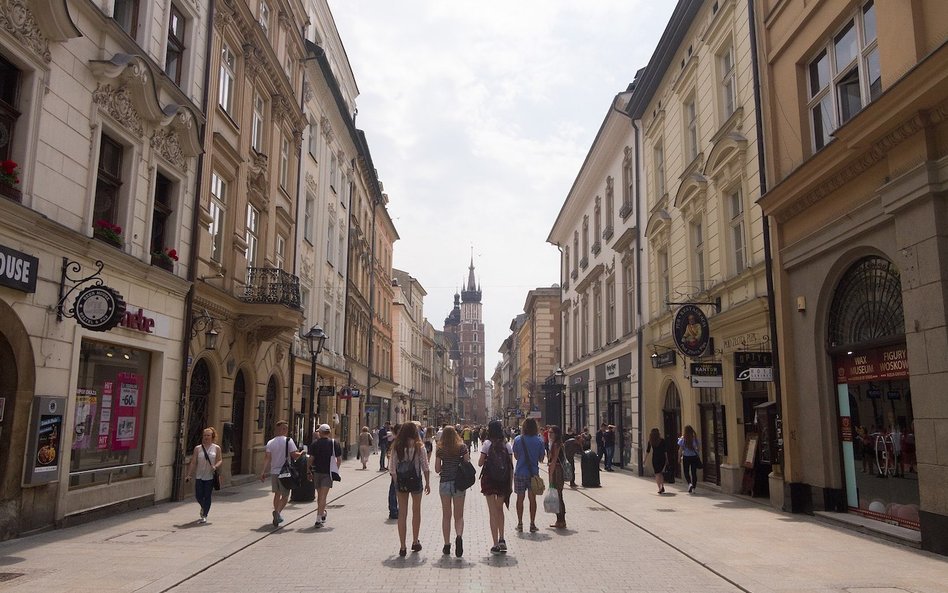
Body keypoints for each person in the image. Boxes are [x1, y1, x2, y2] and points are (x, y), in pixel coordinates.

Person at [389, 421, 430, 556]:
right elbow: (425, 466)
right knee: (416, 511)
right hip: (416, 480)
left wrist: (396, 483)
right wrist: (428, 482)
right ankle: (415, 541)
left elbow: (392, 468)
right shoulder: (420, 447)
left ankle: (402, 546)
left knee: (402, 513)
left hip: (401, 482)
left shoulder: (397, 447)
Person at [479, 419, 513, 555]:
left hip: (489, 480)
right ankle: (502, 538)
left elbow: (480, 463)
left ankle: (495, 544)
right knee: (500, 510)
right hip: (503, 481)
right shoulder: (507, 445)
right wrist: (510, 484)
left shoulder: (487, 444)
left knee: (492, 512)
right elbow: (511, 466)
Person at [434, 425, 469, 557]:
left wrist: (444, 465)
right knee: (459, 515)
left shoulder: (440, 449)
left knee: (446, 515)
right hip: (459, 483)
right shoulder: (462, 447)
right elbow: (467, 462)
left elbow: (437, 469)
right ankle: (459, 536)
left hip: (444, 483)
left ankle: (447, 545)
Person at [260, 420, 301, 526]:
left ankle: (276, 513)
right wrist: (302, 453)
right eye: (285, 428)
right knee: (286, 495)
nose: (287, 430)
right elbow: (294, 455)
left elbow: (267, 458)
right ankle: (277, 513)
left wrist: (263, 472)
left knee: (277, 494)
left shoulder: (270, 442)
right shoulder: (288, 440)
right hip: (285, 472)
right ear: (282, 429)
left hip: (274, 472)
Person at [512, 418, 544, 533]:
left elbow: (515, 456)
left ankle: (520, 523)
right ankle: (532, 524)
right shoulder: (539, 440)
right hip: (533, 474)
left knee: (520, 499)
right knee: (532, 499)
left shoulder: (518, 439)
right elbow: (541, 459)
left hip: (520, 473)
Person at [185, 426, 223, 523]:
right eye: (204, 435)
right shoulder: (198, 448)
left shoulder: (216, 448)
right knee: (198, 495)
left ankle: (205, 514)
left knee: (207, 495)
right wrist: (189, 474)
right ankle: (203, 506)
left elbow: (220, 460)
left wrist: (215, 466)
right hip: (199, 475)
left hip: (210, 476)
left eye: (208, 435)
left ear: (212, 436)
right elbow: (193, 462)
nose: (206, 437)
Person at [308, 423, 342, 528]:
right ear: (329, 432)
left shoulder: (315, 444)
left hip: (317, 472)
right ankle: (319, 518)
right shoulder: (334, 443)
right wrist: (336, 469)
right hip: (328, 473)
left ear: (321, 432)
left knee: (320, 496)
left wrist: (308, 471)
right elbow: (339, 459)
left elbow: (310, 459)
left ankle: (321, 514)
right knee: (323, 497)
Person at [547, 425, 567, 529]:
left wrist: (550, 474)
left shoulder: (555, 444)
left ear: (556, 434)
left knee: (558, 495)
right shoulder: (557, 443)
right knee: (559, 495)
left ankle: (561, 520)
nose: (549, 434)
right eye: (549, 432)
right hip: (558, 470)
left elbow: (554, 460)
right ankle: (560, 520)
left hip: (556, 471)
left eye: (551, 433)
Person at [646, 428, 671, 494]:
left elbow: (648, 451)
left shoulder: (650, 441)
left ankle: (659, 488)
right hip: (662, 458)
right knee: (660, 473)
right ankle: (662, 486)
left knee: (657, 473)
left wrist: (644, 459)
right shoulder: (662, 440)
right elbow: (665, 451)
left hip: (655, 458)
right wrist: (667, 459)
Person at [678, 425, 701, 493]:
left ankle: (689, 484)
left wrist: (679, 458)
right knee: (694, 473)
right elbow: (699, 448)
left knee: (686, 472)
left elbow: (680, 450)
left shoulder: (683, 439)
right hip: (694, 457)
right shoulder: (695, 438)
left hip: (686, 457)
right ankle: (693, 488)